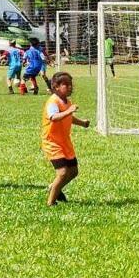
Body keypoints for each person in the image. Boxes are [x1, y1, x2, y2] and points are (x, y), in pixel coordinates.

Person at [43, 72, 90, 206]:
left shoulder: (66, 101)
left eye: (71, 85)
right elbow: (54, 117)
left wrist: (82, 122)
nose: (70, 87)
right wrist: (69, 111)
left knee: (73, 171)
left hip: (64, 142)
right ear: (56, 87)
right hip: (52, 142)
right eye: (66, 85)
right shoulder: (53, 101)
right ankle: (51, 202)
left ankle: (54, 187)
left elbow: (67, 118)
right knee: (63, 172)